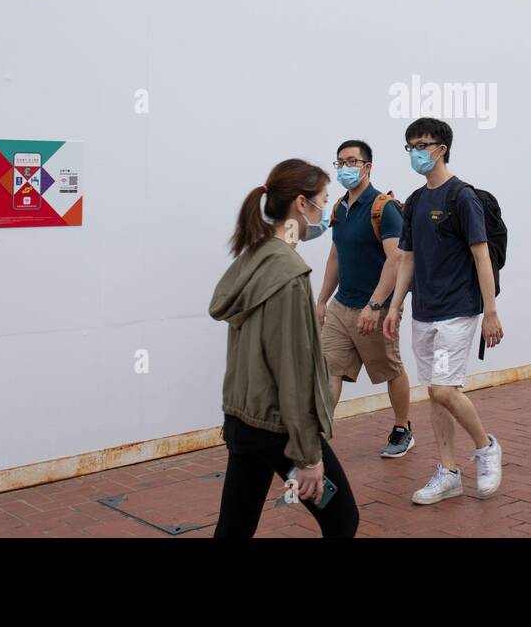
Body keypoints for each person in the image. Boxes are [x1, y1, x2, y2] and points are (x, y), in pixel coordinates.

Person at [208, 159, 358, 538]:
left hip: (243, 419)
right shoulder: (289, 275)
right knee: (341, 519)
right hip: (277, 429)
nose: (326, 210)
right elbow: (293, 370)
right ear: (301, 205)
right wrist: (308, 457)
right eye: (323, 200)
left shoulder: (254, 256)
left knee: (235, 528)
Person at [384, 117, 504, 505]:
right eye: (411, 146)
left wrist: (491, 311)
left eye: (423, 144)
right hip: (425, 310)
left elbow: (481, 256)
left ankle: (486, 448)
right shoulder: (416, 200)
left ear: (442, 148)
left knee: (443, 388)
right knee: (434, 394)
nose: (416, 152)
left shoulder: (462, 196)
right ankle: (448, 471)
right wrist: (396, 305)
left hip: (459, 308)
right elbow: (407, 258)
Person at [315, 140, 415, 457]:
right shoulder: (339, 209)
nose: (345, 168)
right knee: (329, 369)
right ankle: (317, 435)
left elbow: (396, 260)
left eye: (352, 162)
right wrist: (321, 300)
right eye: (340, 162)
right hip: (341, 307)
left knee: (390, 370)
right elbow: (335, 257)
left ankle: (403, 429)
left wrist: (376, 306)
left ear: (367, 167)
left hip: (376, 308)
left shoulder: (382, 208)